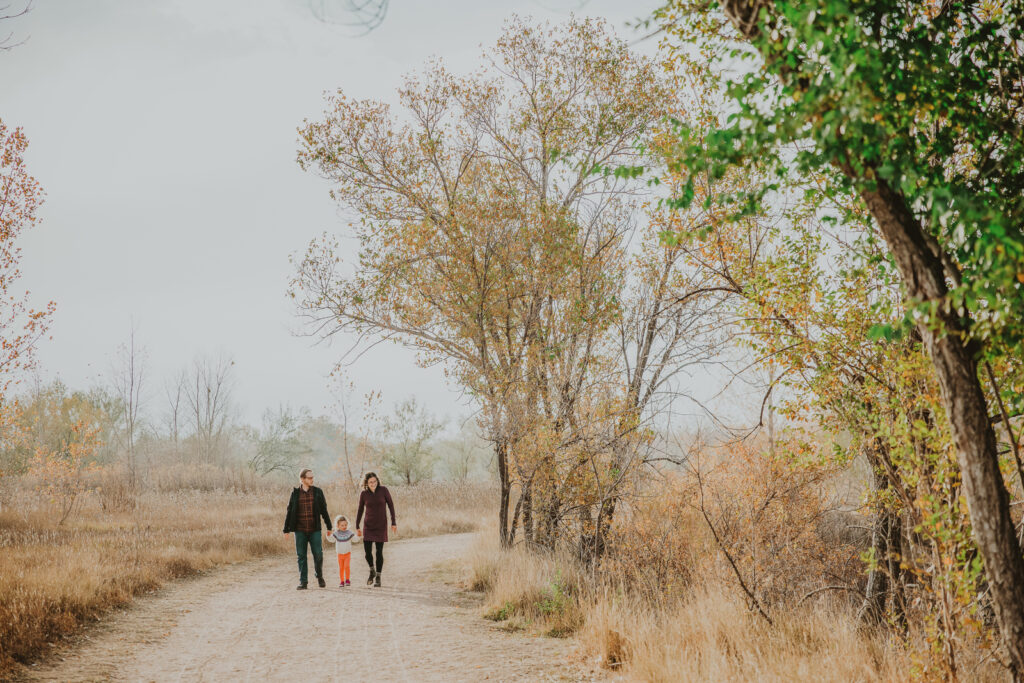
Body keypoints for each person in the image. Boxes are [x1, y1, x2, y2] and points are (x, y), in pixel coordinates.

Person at [282, 467, 332, 589]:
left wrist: (329, 526)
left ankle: (319, 576)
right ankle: (303, 582)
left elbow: (324, 510)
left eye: (312, 477)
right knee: (301, 556)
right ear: (302, 479)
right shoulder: (295, 493)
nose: (312, 479)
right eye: (309, 477)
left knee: (318, 554)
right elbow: (289, 511)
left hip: (315, 529)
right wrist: (286, 529)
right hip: (300, 530)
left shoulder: (318, 492)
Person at [355, 471, 396, 587]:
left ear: (377, 481)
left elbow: (391, 505)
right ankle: (372, 570)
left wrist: (394, 522)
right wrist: (357, 525)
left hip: (381, 525)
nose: (373, 484)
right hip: (368, 526)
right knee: (367, 552)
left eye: (375, 481)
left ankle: (378, 576)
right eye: (370, 482)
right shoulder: (364, 494)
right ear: (367, 483)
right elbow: (360, 510)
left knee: (379, 552)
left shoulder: (384, 490)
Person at [326, 515, 356, 587]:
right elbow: (332, 540)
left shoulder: (349, 533)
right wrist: (328, 535)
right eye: (342, 525)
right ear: (338, 526)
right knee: (341, 568)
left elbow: (355, 539)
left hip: (347, 554)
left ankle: (347, 580)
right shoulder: (336, 533)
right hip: (339, 554)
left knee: (346, 566)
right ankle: (342, 581)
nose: (344, 526)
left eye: (345, 525)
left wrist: (358, 536)